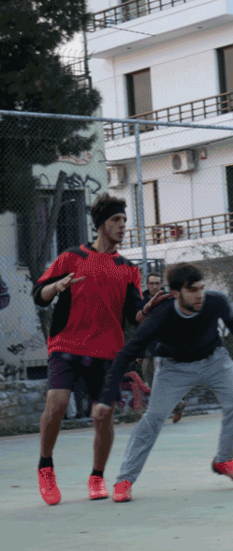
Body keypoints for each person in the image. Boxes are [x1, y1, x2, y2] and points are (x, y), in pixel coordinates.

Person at [33, 194, 169, 506]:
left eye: (124, 220)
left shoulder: (128, 269)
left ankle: (97, 475)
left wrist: (147, 307)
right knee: (57, 402)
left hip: (107, 352)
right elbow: (39, 294)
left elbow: (135, 314)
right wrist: (58, 286)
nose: (122, 226)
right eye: (116, 221)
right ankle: (45, 466)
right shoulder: (71, 257)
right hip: (66, 344)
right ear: (101, 224)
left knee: (102, 418)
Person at [103, 262, 233, 503]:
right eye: (192, 290)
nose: (199, 295)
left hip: (214, 360)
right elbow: (128, 350)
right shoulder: (161, 314)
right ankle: (125, 479)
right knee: (154, 418)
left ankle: (224, 460)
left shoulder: (215, 300)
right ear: (176, 293)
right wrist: (107, 393)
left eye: (201, 288)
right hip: (173, 368)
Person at [140, 272, 187, 422]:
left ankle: (160, 414)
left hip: (165, 348)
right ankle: (178, 405)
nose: (155, 286)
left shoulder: (169, 299)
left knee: (161, 383)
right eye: (152, 283)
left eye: (157, 283)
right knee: (150, 381)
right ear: (147, 285)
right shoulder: (141, 301)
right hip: (147, 348)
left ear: (161, 285)